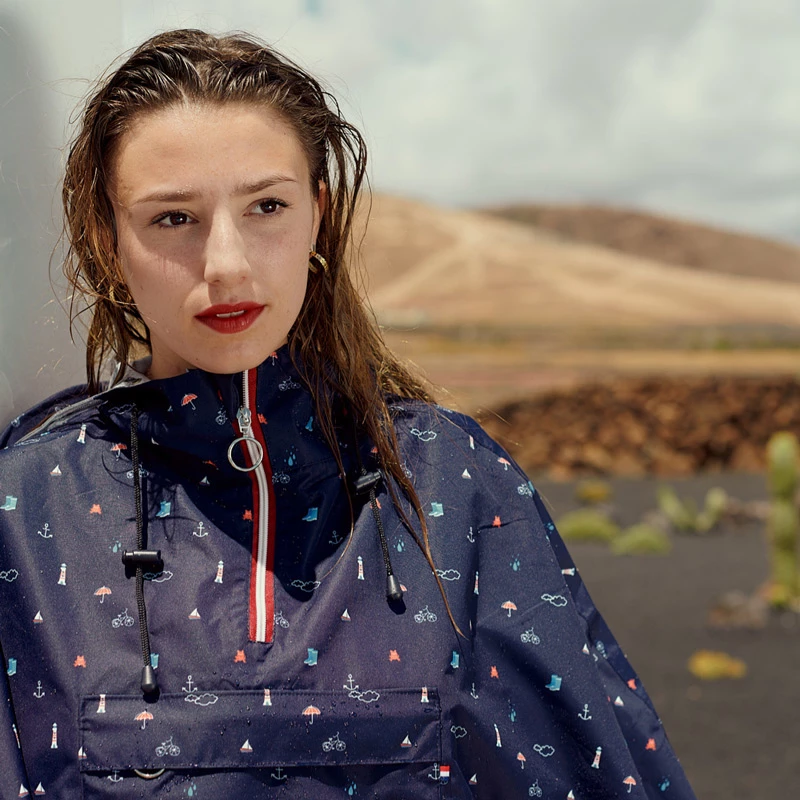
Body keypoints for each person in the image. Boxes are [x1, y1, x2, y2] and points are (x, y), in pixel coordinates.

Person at [0, 29, 696, 799]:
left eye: (267, 205)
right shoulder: (28, 502)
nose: (226, 262)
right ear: (107, 238)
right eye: (173, 218)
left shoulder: (454, 483)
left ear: (318, 217)